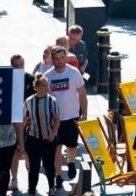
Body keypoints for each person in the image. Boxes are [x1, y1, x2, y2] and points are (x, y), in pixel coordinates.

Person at [45, 45, 85, 190]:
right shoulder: (48, 76)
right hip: (55, 119)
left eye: (62, 58)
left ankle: (70, 162)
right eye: (56, 58)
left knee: (72, 145)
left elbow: (82, 94)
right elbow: (46, 98)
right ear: (53, 59)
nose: (59, 61)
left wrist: (84, 113)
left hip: (72, 116)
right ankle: (58, 176)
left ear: (65, 57)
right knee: (56, 147)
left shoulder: (73, 72)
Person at [22, 74, 58, 196]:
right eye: (44, 85)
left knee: (49, 165)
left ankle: (51, 187)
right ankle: (32, 189)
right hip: (33, 138)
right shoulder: (28, 101)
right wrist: (20, 140)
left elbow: (57, 120)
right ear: (36, 86)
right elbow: (24, 121)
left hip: (48, 138)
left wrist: (53, 134)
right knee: (33, 166)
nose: (46, 87)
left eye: (47, 85)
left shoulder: (51, 101)